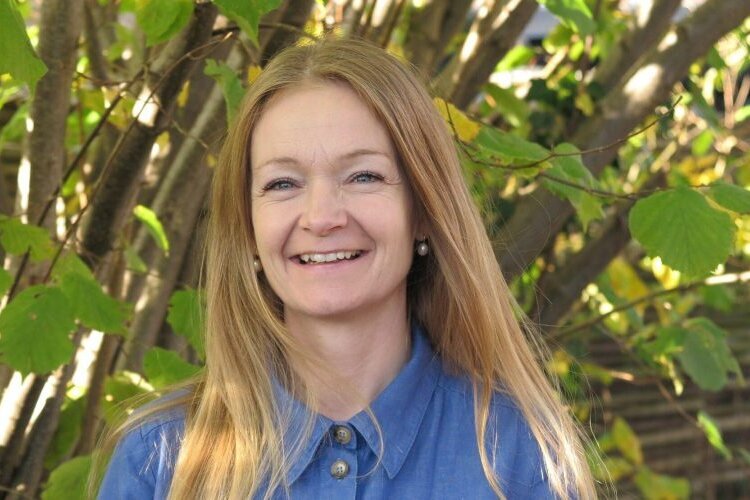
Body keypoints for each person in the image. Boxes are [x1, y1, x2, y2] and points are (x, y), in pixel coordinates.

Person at [96, 38, 597, 499]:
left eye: (363, 175)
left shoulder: (516, 453)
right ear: (247, 227)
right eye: (282, 184)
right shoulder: (160, 463)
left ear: (423, 211)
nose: (321, 217)